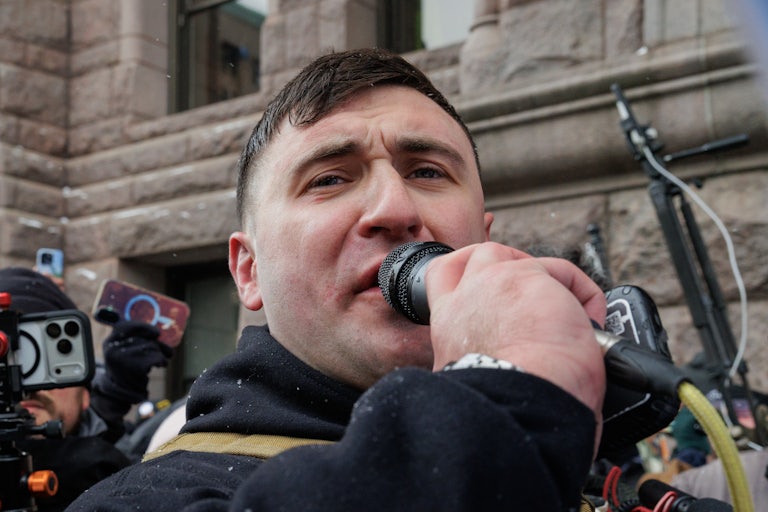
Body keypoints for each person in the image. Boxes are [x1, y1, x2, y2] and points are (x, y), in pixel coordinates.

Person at [66, 48, 607, 511]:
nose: (395, 208)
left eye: (426, 171)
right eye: (329, 179)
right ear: (248, 271)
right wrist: (507, 399)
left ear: (484, 239)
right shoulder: (148, 498)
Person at [0, 267, 172, 511]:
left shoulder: (126, 467)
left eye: (47, 363)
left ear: (85, 393)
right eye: (6, 361)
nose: (26, 388)